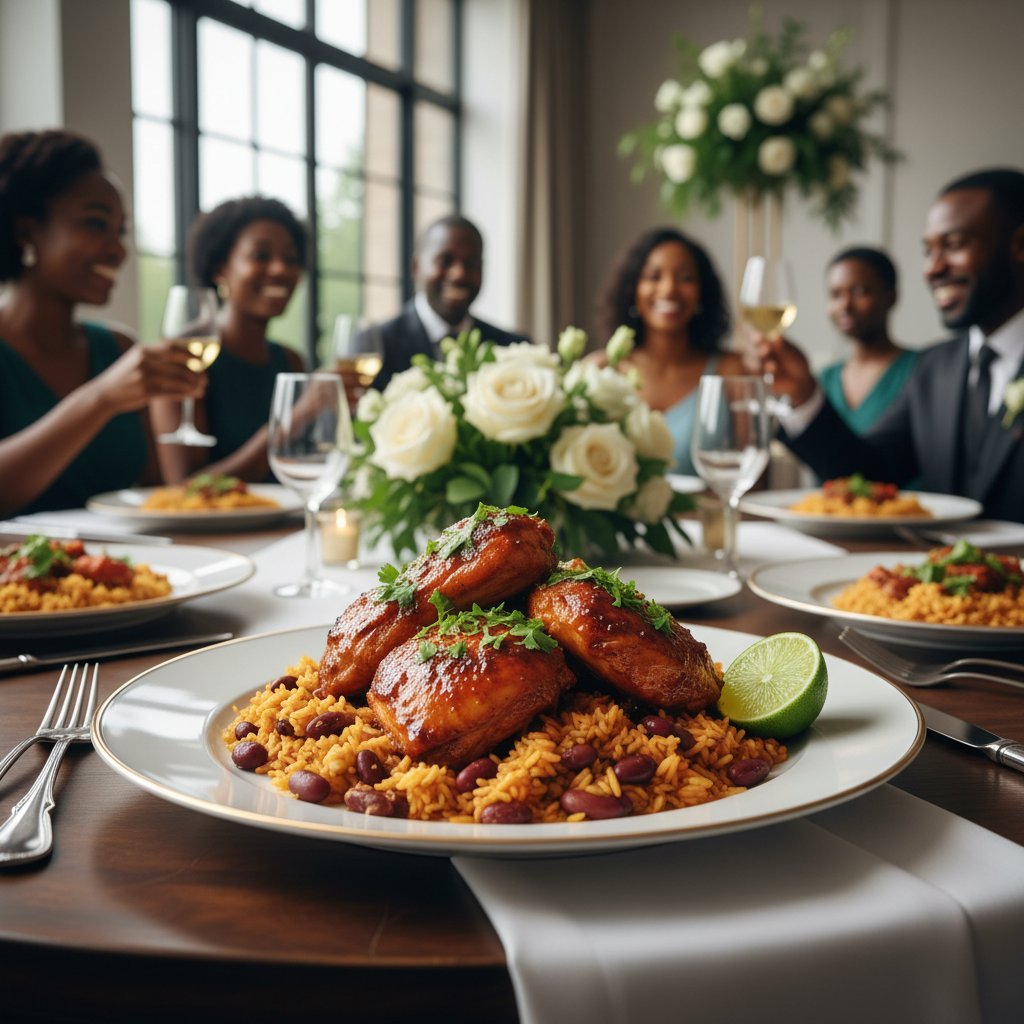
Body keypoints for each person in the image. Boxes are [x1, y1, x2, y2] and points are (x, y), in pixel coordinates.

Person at [753, 168, 1024, 523]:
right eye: (928, 251)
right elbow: (866, 476)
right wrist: (804, 396)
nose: (933, 268)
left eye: (955, 245)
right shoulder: (934, 367)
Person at [0, 130, 203, 517]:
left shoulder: (119, 349)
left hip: (113, 572)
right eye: (96, 224)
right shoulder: (114, 375)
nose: (119, 249)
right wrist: (100, 398)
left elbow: (155, 497)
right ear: (27, 231)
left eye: (120, 230)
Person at [150, 197, 306, 483]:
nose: (281, 269)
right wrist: (294, 419)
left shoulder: (290, 360)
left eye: (291, 260)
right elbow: (184, 488)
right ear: (219, 269)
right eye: (261, 256)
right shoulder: (181, 356)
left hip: (282, 525)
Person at [595, 227, 743, 475]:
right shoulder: (601, 369)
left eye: (686, 278)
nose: (669, 289)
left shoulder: (731, 371)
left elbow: (751, 486)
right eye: (654, 276)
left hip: (708, 515)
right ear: (632, 289)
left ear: (702, 293)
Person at [351, 214, 527, 391]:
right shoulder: (373, 346)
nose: (459, 274)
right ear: (416, 267)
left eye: (471, 263)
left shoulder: (513, 348)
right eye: (445, 261)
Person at [820, 247, 917, 435]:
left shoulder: (920, 369)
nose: (845, 305)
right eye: (835, 295)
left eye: (859, 291)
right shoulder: (823, 380)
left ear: (891, 297)